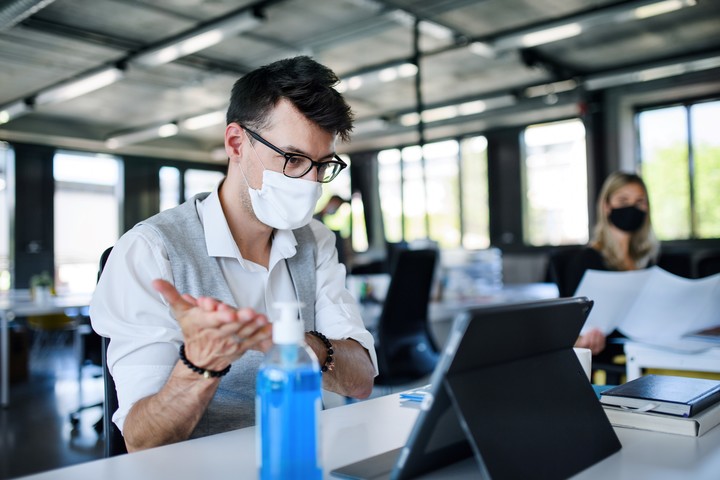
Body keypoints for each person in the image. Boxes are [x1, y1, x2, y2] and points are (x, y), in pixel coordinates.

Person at [90, 56, 378, 452]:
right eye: (292, 160)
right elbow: (142, 439)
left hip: (302, 458)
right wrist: (201, 364)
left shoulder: (315, 239)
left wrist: (299, 343)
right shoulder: (151, 251)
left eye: (322, 165)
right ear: (236, 144)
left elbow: (361, 381)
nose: (310, 183)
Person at [572, 171, 660, 355]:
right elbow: (572, 325)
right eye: (623, 201)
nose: (632, 208)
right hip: (613, 355)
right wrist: (582, 340)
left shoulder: (649, 259)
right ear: (607, 207)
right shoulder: (587, 259)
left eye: (639, 202)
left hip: (648, 348)